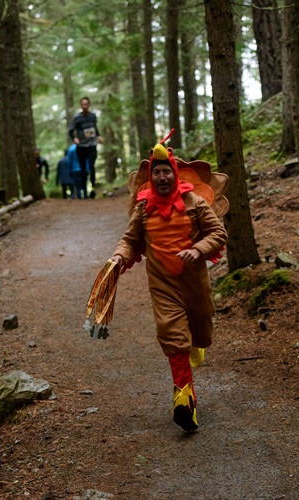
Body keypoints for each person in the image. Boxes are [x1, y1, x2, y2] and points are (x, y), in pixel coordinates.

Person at [110, 138, 226, 433]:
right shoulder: (144, 209)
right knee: (173, 337)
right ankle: (185, 402)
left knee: (200, 329)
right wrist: (119, 257)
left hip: (194, 282)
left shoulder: (195, 203)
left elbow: (218, 233)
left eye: (167, 172)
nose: (162, 177)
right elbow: (130, 240)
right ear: (151, 178)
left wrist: (198, 249)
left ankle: (194, 346)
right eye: (157, 173)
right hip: (163, 285)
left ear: (175, 174)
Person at [68, 97, 102, 198]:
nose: (85, 106)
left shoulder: (93, 116)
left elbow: (95, 128)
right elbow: (70, 130)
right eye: (83, 104)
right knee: (83, 169)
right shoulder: (77, 118)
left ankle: (92, 188)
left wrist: (99, 136)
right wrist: (74, 138)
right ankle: (84, 192)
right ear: (81, 106)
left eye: (86, 104)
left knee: (91, 166)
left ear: (89, 105)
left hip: (91, 145)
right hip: (81, 146)